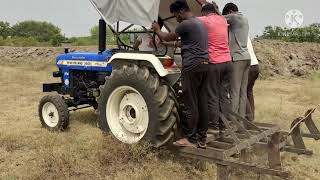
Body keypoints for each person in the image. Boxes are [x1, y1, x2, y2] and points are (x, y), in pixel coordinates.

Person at [152, 0, 210, 148]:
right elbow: (183, 43)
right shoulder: (200, 24)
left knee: (190, 103)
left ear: (180, 12)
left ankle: (190, 139)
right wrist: (167, 45)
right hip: (205, 65)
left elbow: (166, 36)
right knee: (202, 102)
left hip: (192, 66)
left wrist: (157, 29)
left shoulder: (185, 24)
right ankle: (202, 138)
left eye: (175, 15)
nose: (176, 18)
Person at [197, 2, 232, 129]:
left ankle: (214, 124)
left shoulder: (205, 20)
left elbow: (190, 20)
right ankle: (224, 123)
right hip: (227, 62)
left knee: (212, 94)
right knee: (223, 94)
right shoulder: (223, 20)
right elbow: (218, 13)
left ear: (204, 13)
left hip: (215, 63)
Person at [222, 3, 250, 118]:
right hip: (246, 57)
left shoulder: (233, 17)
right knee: (243, 92)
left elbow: (217, 19)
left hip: (237, 58)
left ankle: (233, 122)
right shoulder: (245, 18)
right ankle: (241, 120)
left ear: (229, 12)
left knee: (234, 91)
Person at [246, 37, 260, 122]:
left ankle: (248, 118)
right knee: (249, 92)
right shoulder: (244, 32)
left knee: (242, 92)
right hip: (255, 64)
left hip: (248, 65)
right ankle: (252, 117)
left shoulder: (234, 31)